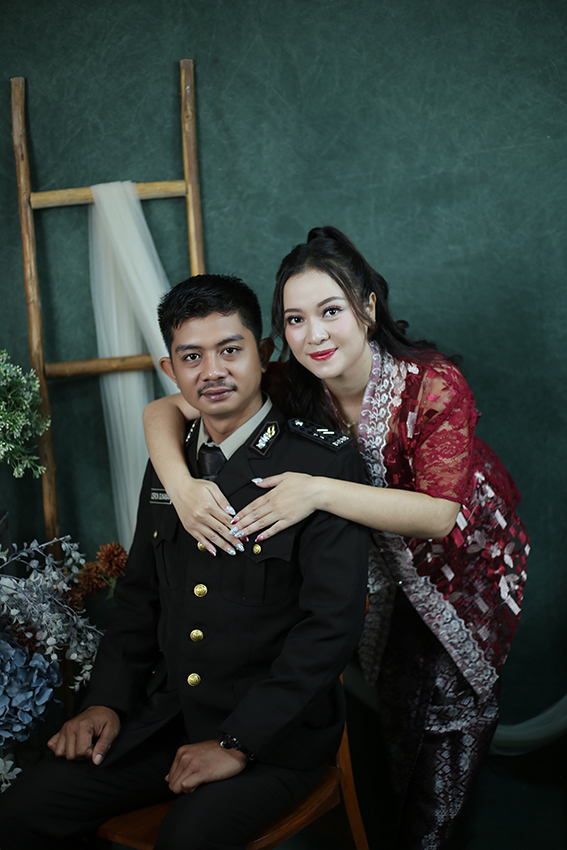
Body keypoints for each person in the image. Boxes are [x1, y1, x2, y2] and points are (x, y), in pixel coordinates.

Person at [142, 228, 530, 850]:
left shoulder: (432, 383)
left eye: (330, 311)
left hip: (460, 573)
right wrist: (183, 490)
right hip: (377, 579)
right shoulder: (294, 382)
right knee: (395, 736)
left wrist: (318, 490)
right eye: (295, 320)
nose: (314, 335)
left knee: (444, 747)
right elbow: (162, 410)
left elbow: (439, 515)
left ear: (367, 308)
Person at [0, 273, 369, 850]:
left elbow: (330, 627)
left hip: (275, 737)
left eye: (230, 350)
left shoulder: (322, 462)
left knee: (187, 839)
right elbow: (139, 596)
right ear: (170, 369)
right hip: (169, 719)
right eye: (191, 356)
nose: (212, 371)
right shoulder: (172, 460)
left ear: (263, 354)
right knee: (25, 807)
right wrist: (105, 701)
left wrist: (237, 742)